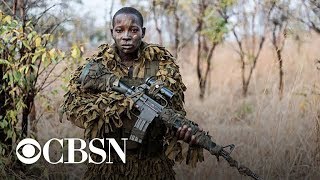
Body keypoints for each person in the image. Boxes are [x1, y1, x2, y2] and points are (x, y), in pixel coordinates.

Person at [61, 7, 204, 180]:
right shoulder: (96, 66)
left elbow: (172, 111)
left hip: (152, 166)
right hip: (107, 166)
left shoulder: (162, 65)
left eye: (133, 30)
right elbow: (73, 109)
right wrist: (117, 108)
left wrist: (183, 134)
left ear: (143, 32)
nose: (126, 36)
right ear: (112, 32)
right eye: (119, 30)